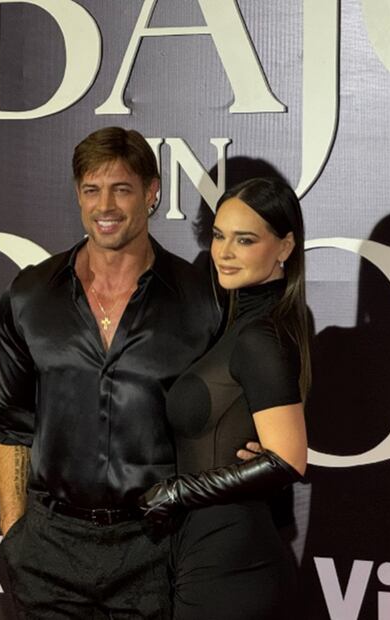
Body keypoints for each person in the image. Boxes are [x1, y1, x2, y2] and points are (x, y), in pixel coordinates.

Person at [0, 126, 219, 619]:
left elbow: (223, 426)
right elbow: (11, 422)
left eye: (122, 188)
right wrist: (15, 531)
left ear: (152, 192)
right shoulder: (31, 294)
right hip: (50, 548)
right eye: (92, 190)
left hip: (156, 547)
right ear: (78, 195)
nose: (105, 206)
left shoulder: (200, 300)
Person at [139, 177, 310, 619]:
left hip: (233, 565)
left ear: (285, 247)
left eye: (245, 239)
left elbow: (289, 458)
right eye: (218, 235)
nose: (223, 252)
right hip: (208, 552)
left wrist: (178, 492)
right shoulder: (241, 326)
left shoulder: (261, 336)